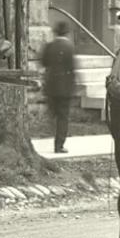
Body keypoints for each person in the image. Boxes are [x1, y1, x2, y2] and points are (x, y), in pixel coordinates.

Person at [39, 21, 78, 153]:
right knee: (63, 116)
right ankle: (59, 144)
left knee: (54, 113)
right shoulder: (69, 47)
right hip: (65, 87)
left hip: (51, 85)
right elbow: (72, 67)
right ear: (66, 33)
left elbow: (44, 62)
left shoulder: (49, 46)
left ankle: (50, 133)